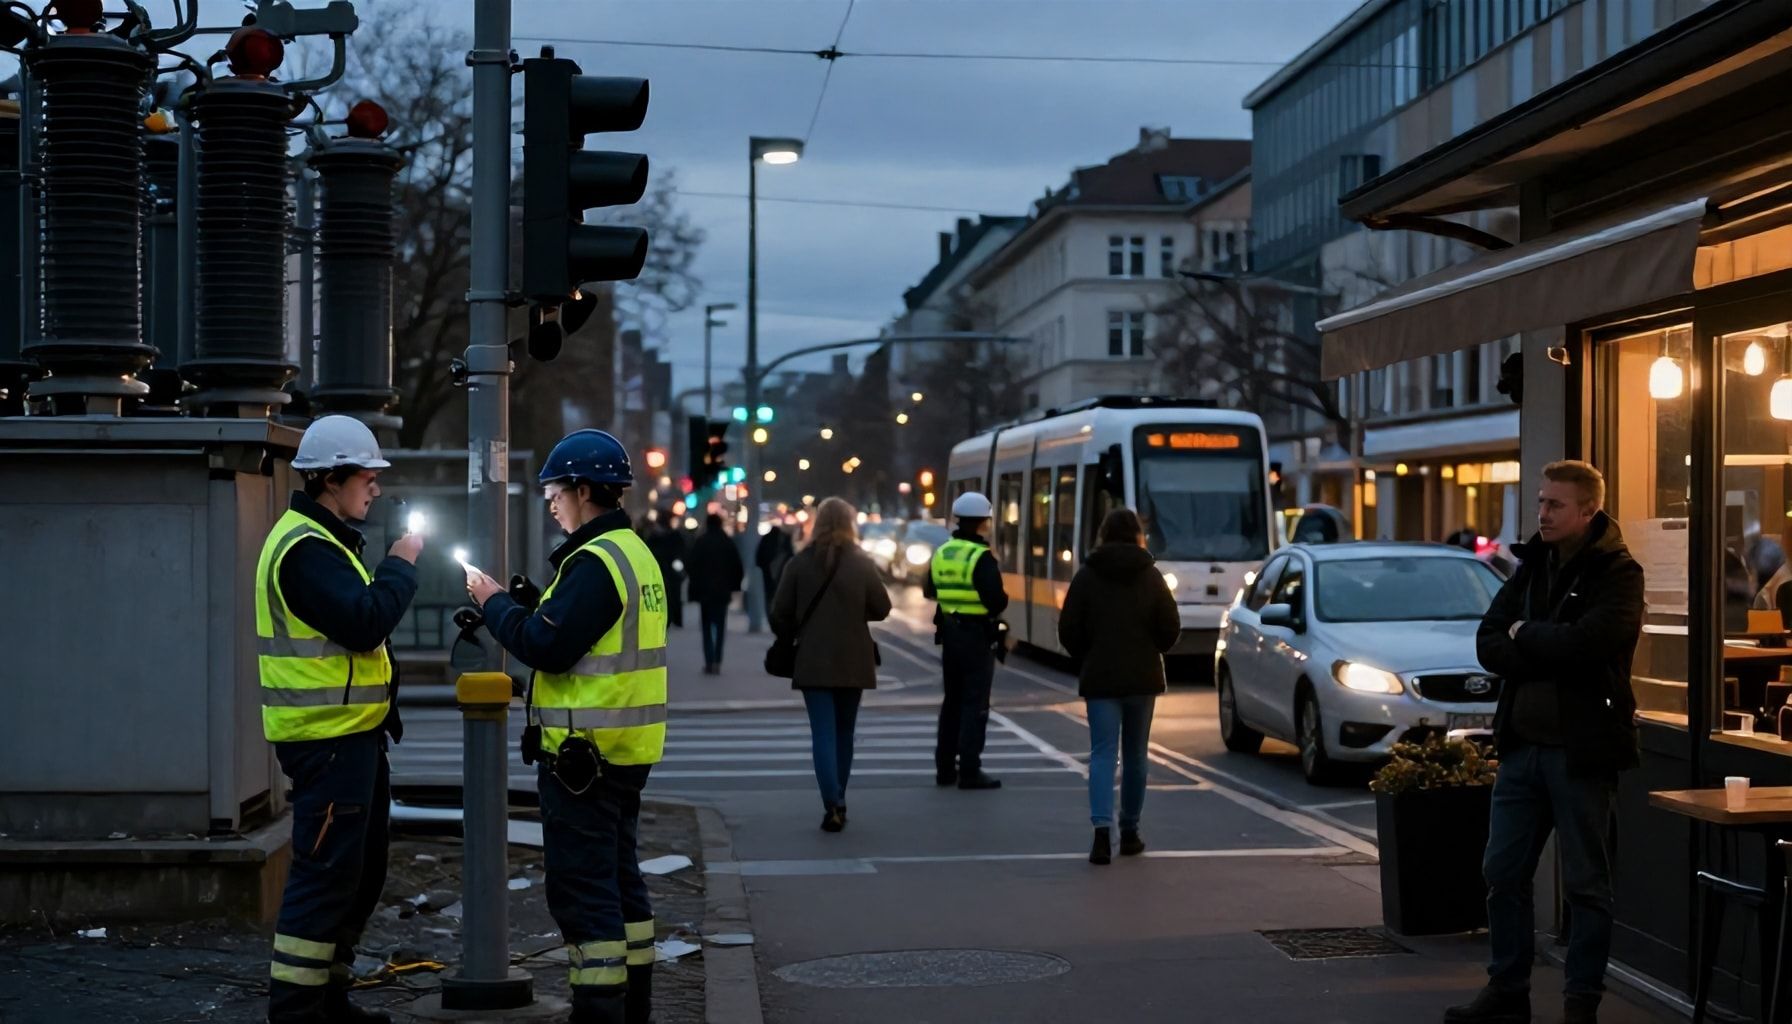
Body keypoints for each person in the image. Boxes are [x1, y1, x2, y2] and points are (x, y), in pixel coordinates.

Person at [467, 428, 667, 1024]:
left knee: (585, 894)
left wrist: (493, 602)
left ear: (584, 490)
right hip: (624, 754)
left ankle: (599, 1011)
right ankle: (635, 1008)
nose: (550, 502)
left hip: (585, 761)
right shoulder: (633, 553)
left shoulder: (594, 562)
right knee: (621, 883)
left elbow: (546, 646)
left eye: (555, 491)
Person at [1451, 460, 1645, 1024]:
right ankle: (1507, 991)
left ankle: (1579, 1002)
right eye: (1540, 502)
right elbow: (1489, 640)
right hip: (1522, 749)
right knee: (1501, 874)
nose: (1542, 513)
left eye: (1555, 505)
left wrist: (1527, 637)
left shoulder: (1617, 572)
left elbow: (1592, 643)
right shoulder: (1531, 565)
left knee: (1586, 884)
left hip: (1582, 753)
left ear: (1588, 510)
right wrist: (1539, 644)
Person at [258, 415, 420, 1024]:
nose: (374, 488)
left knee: (359, 874)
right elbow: (362, 622)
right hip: (327, 745)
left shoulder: (325, 543)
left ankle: (330, 999)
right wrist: (402, 564)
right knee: (325, 882)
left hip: (351, 741)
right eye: (366, 476)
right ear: (331, 479)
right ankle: (299, 1012)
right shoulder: (305, 550)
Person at [1057, 508, 1180, 865]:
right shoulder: (1151, 576)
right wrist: (1151, 648)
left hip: (1100, 679)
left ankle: (1100, 836)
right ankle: (1130, 831)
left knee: (1102, 754)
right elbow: (1170, 627)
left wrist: (1089, 654)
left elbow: (1069, 630)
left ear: (1103, 535)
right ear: (1138, 536)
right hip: (1142, 679)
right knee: (1137, 755)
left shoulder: (1087, 576)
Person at [771, 498, 892, 832]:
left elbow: (779, 613)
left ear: (817, 523)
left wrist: (800, 627)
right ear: (850, 523)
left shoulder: (800, 563)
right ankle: (840, 796)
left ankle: (832, 804)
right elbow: (882, 607)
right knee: (845, 732)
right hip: (854, 658)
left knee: (822, 733)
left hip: (812, 659)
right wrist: (853, 612)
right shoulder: (861, 563)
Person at [924, 492, 1009, 790]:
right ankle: (970, 770)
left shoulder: (943, 552)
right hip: (976, 637)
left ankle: (945, 769)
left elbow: (929, 589)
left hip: (950, 635)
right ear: (983, 522)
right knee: (975, 703)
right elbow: (996, 601)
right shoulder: (981, 557)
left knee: (952, 702)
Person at [686, 513, 744, 674]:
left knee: (706, 628)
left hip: (704, 592)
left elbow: (691, 566)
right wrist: (734, 586)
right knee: (720, 627)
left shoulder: (701, 542)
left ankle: (709, 660)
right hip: (722, 592)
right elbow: (737, 567)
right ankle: (718, 659)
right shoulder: (727, 543)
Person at [643, 510, 688, 629]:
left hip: (659, 571)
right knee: (675, 595)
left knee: (661, 596)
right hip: (671, 571)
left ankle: (664, 619)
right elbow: (682, 552)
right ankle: (677, 619)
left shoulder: (653, 537)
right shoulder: (674, 535)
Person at [756, 522, 795, 608]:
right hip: (781, 573)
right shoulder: (785, 542)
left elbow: (759, 558)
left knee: (768, 596)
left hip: (767, 575)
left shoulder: (766, 539)